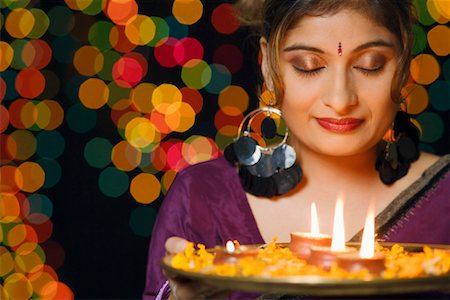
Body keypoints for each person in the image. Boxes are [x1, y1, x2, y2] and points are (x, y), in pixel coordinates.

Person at [143, 0, 450, 299]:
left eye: (370, 65)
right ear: (268, 66)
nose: (341, 99)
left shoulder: (443, 198)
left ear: (404, 67)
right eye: (309, 66)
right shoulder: (203, 198)